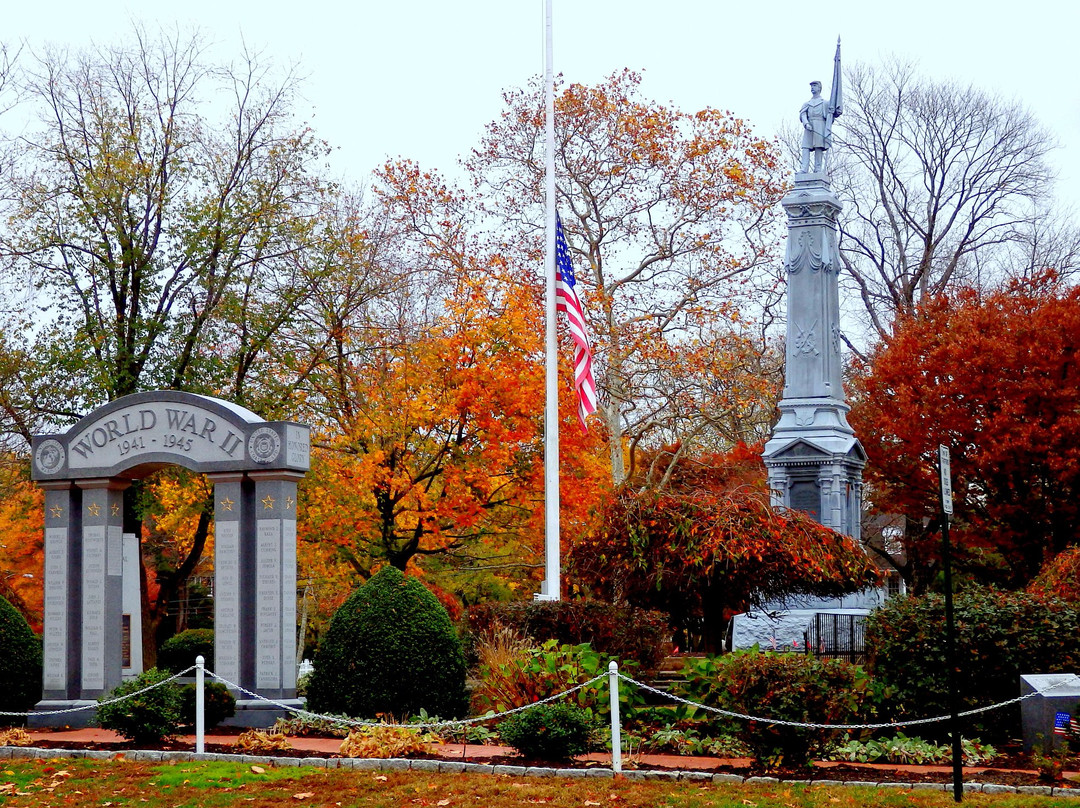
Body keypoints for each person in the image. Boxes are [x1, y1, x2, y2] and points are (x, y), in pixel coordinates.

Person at [799, 81, 829, 173]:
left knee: (818, 147)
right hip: (809, 125)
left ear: (819, 88)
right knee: (805, 147)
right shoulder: (807, 103)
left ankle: (818, 169)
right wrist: (806, 123)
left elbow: (830, 116)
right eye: (811, 86)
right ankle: (804, 169)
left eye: (815, 86)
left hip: (820, 124)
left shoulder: (825, 103)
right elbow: (803, 114)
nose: (812, 88)